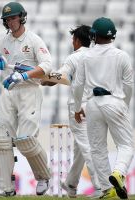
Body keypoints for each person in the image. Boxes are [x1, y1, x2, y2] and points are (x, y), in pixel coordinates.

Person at [0, 2, 52, 196]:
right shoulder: (3, 41)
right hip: (9, 91)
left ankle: (44, 176)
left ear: (21, 17)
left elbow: (47, 67)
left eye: (13, 18)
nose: (10, 22)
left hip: (29, 91)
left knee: (25, 140)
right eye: (7, 19)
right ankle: (6, 188)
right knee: (1, 140)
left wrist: (25, 75)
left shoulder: (34, 40)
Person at [73, 17, 134, 199]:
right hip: (114, 101)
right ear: (113, 36)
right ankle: (119, 173)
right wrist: (125, 103)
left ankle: (108, 189)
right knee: (126, 145)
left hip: (92, 104)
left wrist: (77, 108)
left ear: (93, 36)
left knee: (97, 148)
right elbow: (129, 84)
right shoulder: (121, 55)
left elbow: (78, 85)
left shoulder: (85, 56)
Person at [41, 25, 101, 198]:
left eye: (72, 39)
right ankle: (71, 184)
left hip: (78, 109)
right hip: (97, 106)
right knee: (81, 149)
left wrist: (42, 78)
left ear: (76, 40)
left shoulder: (74, 58)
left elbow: (60, 77)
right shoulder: (96, 56)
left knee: (86, 148)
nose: (71, 42)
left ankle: (100, 187)